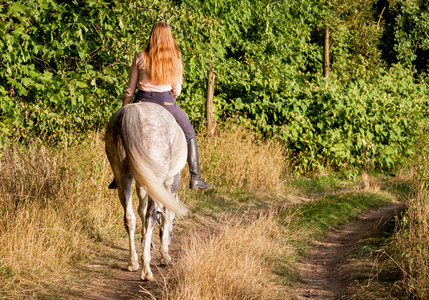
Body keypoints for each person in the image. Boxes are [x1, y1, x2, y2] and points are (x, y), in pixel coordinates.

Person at [109, 21, 211, 190]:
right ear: (169, 37)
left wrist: (123, 108)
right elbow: (176, 89)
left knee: (118, 133)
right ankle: (195, 177)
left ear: (152, 36)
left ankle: (117, 175)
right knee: (189, 133)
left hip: (141, 101)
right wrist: (170, 96)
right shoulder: (174, 57)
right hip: (166, 102)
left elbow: (130, 89)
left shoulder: (140, 56)